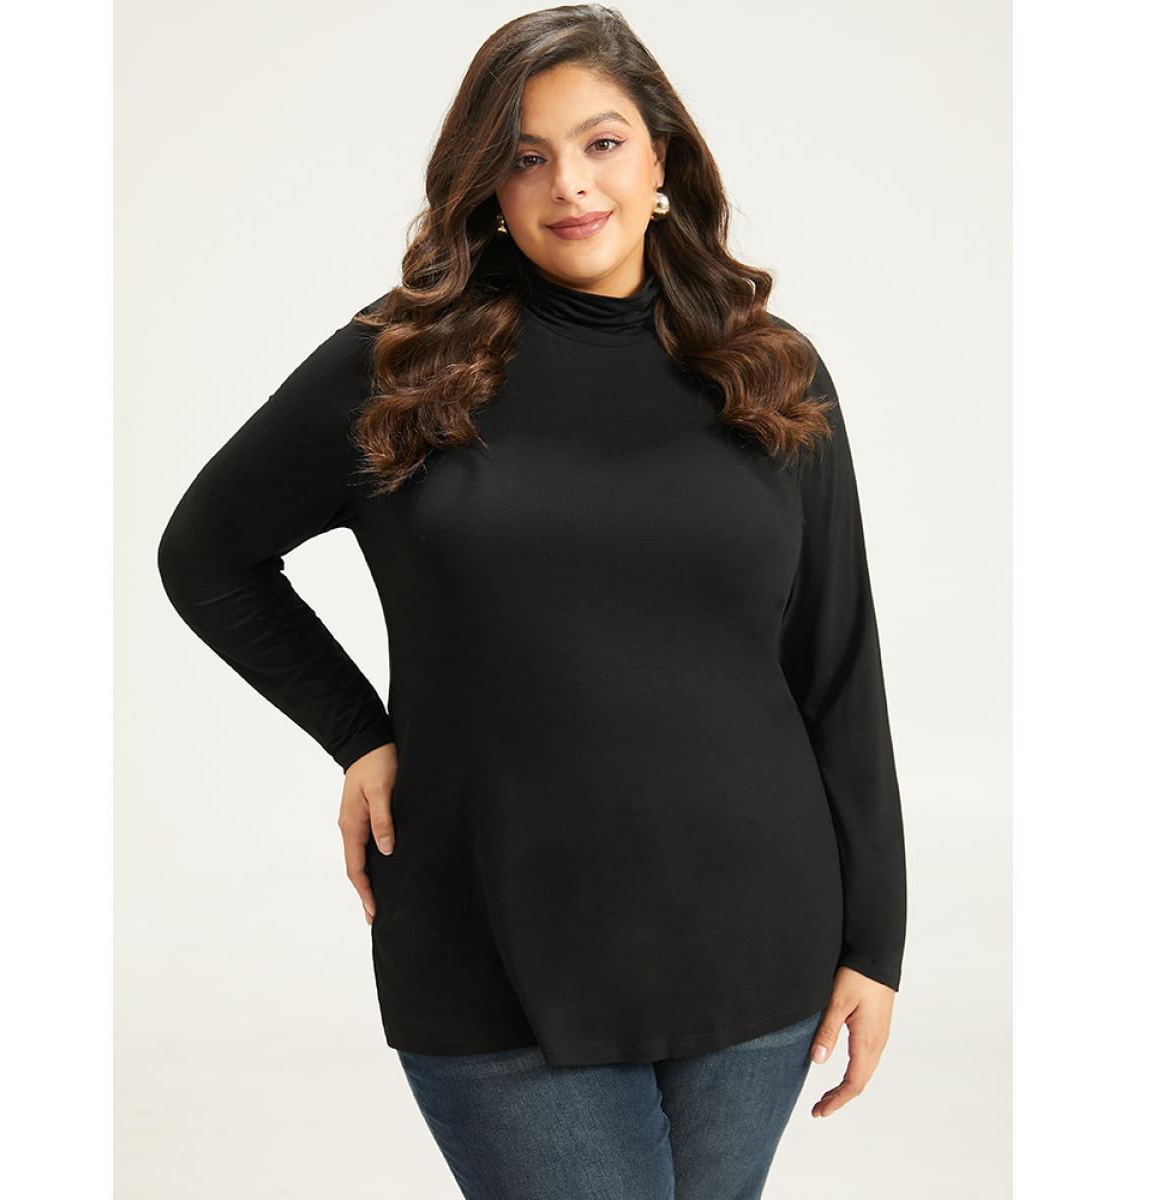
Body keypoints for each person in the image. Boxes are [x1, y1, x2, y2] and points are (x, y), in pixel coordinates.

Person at [156, 6, 908, 1197]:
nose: (570, 184)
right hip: (492, 940)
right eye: (525, 156)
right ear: (486, 188)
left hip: (757, 936)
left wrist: (877, 941)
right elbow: (207, 554)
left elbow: (836, 665)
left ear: (662, 159)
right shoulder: (401, 367)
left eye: (602, 143)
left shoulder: (769, 369)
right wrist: (358, 733)